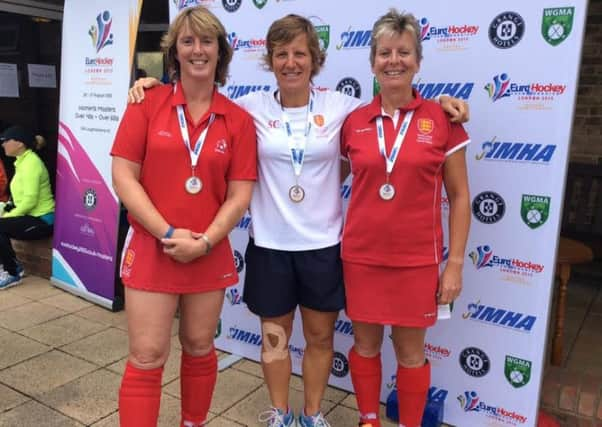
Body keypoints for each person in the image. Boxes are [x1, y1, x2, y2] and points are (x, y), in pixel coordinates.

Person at [128, 14, 468, 427]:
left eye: (300, 54)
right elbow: (199, 99)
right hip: (270, 244)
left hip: (323, 245)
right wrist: (151, 84)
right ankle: (280, 413)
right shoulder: (246, 109)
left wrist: (446, 105)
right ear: (271, 60)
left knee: (321, 339)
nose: (291, 62)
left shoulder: (343, 110)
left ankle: (311, 414)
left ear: (315, 59)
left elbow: (392, 118)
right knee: (274, 339)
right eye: (282, 54)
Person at [110, 6, 257, 427]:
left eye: (207, 41)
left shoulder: (238, 119)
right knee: (147, 355)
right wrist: (168, 232)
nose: (198, 50)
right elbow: (124, 176)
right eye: (188, 41)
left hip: (207, 250)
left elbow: (239, 194)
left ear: (220, 51)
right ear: (174, 51)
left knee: (198, 346)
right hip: (154, 247)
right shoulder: (146, 102)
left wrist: (205, 241)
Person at [340, 9, 471, 427]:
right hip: (361, 256)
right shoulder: (353, 123)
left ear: (417, 60)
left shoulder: (442, 119)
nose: (393, 60)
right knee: (364, 347)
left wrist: (453, 264)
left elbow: (461, 196)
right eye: (384, 52)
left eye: (403, 52)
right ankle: (367, 419)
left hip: (417, 261)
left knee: (412, 354)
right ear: (372, 61)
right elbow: (326, 181)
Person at [0, 125, 55, 289]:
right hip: (29, 216)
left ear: (19, 143)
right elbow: (20, 197)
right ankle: (7, 266)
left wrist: (8, 216)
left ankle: (13, 272)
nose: (3, 145)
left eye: (5, 141)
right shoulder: (22, 162)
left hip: (43, 219)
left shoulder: (32, 163)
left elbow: (30, 201)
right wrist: (6, 207)